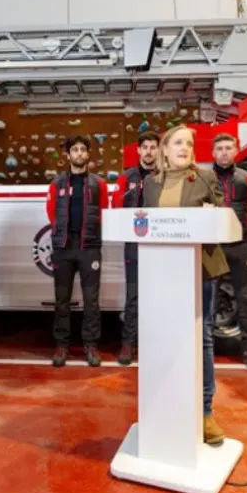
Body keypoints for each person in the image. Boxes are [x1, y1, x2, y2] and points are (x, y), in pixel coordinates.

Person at [142, 124, 230, 445]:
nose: (184, 148)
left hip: (200, 270)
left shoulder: (206, 178)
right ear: (164, 149)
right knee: (166, 337)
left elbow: (222, 220)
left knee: (202, 337)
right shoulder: (151, 184)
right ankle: (167, 405)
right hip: (162, 271)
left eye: (189, 143)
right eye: (178, 142)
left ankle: (205, 412)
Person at [45, 135, 109, 368]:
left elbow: (103, 213)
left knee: (91, 301)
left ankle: (91, 345)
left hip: (89, 249)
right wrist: (63, 235)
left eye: (83, 149)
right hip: (63, 249)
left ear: (88, 154)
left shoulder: (98, 184)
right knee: (62, 300)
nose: (79, 153)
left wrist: (89, 236)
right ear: (68, 155)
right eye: (75, 150)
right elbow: (51, 212)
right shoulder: (57, 184)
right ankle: (62, 345)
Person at [211, 133, 247, 371]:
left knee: (246, 298)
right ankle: (206, 349)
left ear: (236, 151)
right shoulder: (203, 179)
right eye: (219, 148)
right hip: (212, 247)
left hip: (240, 246)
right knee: (208, 298)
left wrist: (241, 231)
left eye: (228, 148)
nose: (223, 152)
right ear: (213, 153)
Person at [111, 131, 160, 366]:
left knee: (161, 296)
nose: (149, 151)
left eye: (153, 147)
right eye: (145, 147)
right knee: (133, 296)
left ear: (158, 151)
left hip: (162, 244)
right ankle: (128, 344)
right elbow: (116, 207)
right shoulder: (126, 178)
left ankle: (157, 344)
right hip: (134, 244)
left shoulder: (166, 176)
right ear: (138, 151)